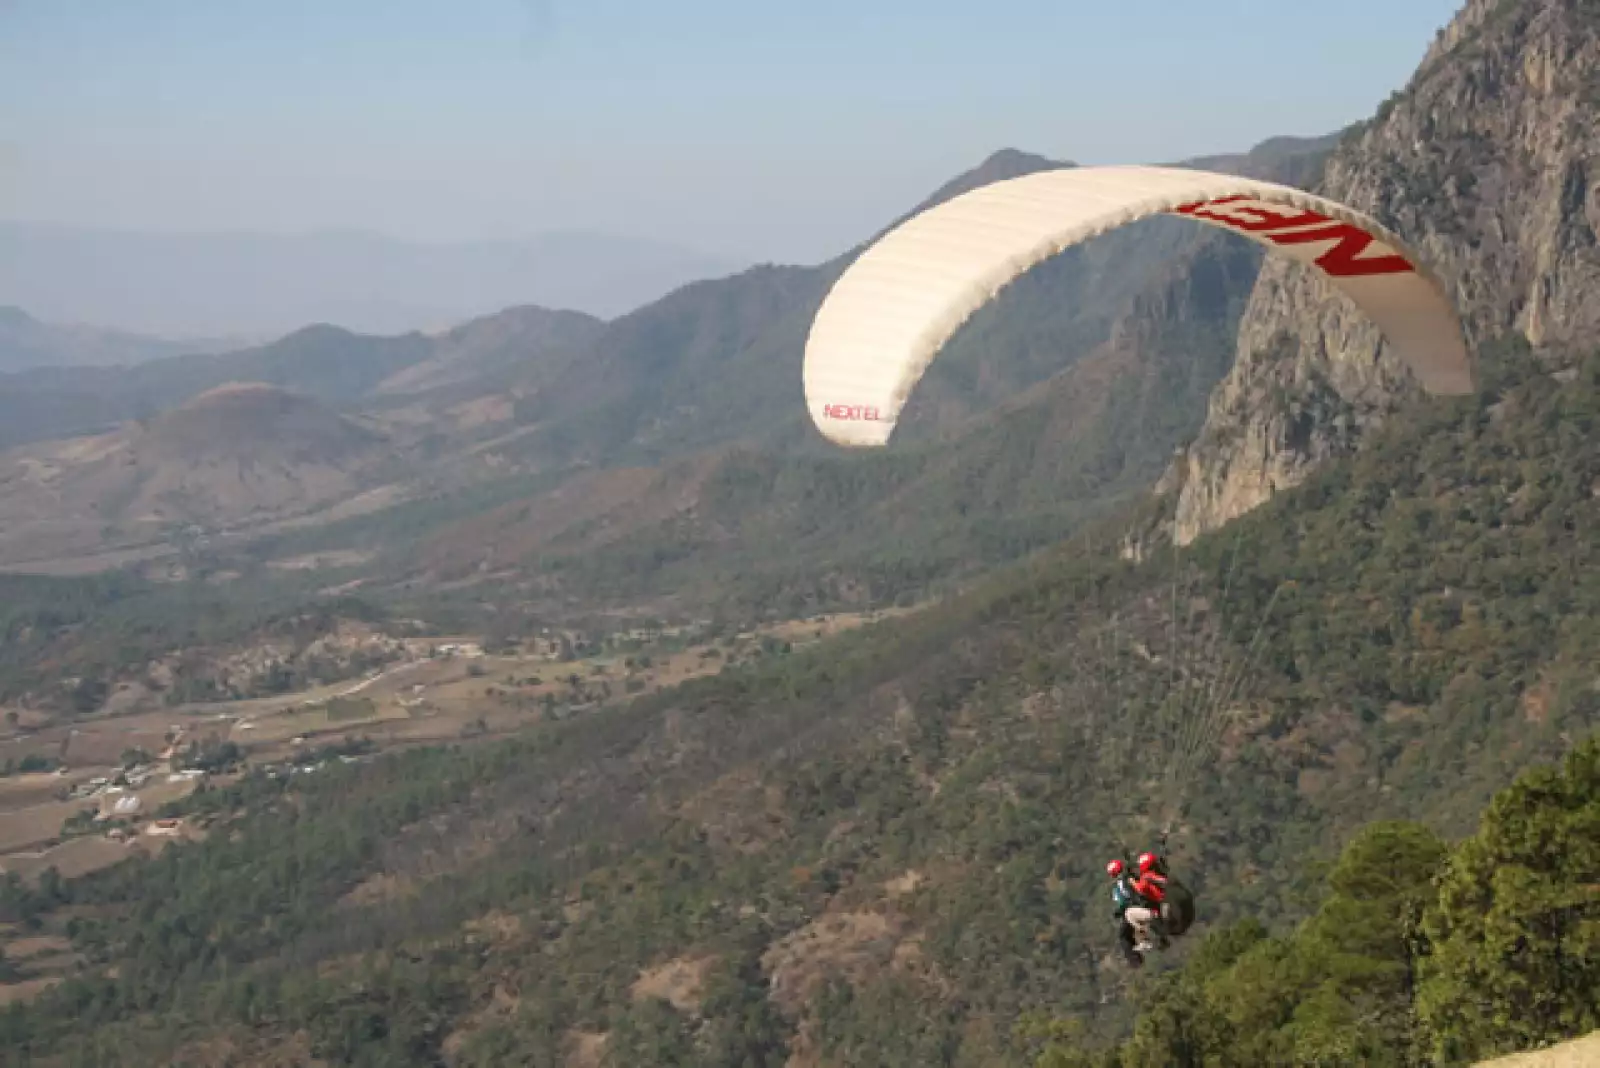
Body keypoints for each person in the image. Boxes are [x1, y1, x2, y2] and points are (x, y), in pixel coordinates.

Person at [1108, 858, 1165, 957]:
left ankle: (1144, 941)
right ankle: (1157, 940)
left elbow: (1125, 899)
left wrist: (1119, 911)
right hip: (1154, 906)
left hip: (1146, 910)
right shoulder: (1133, 876)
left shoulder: (1122, 883)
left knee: (1129, 915)